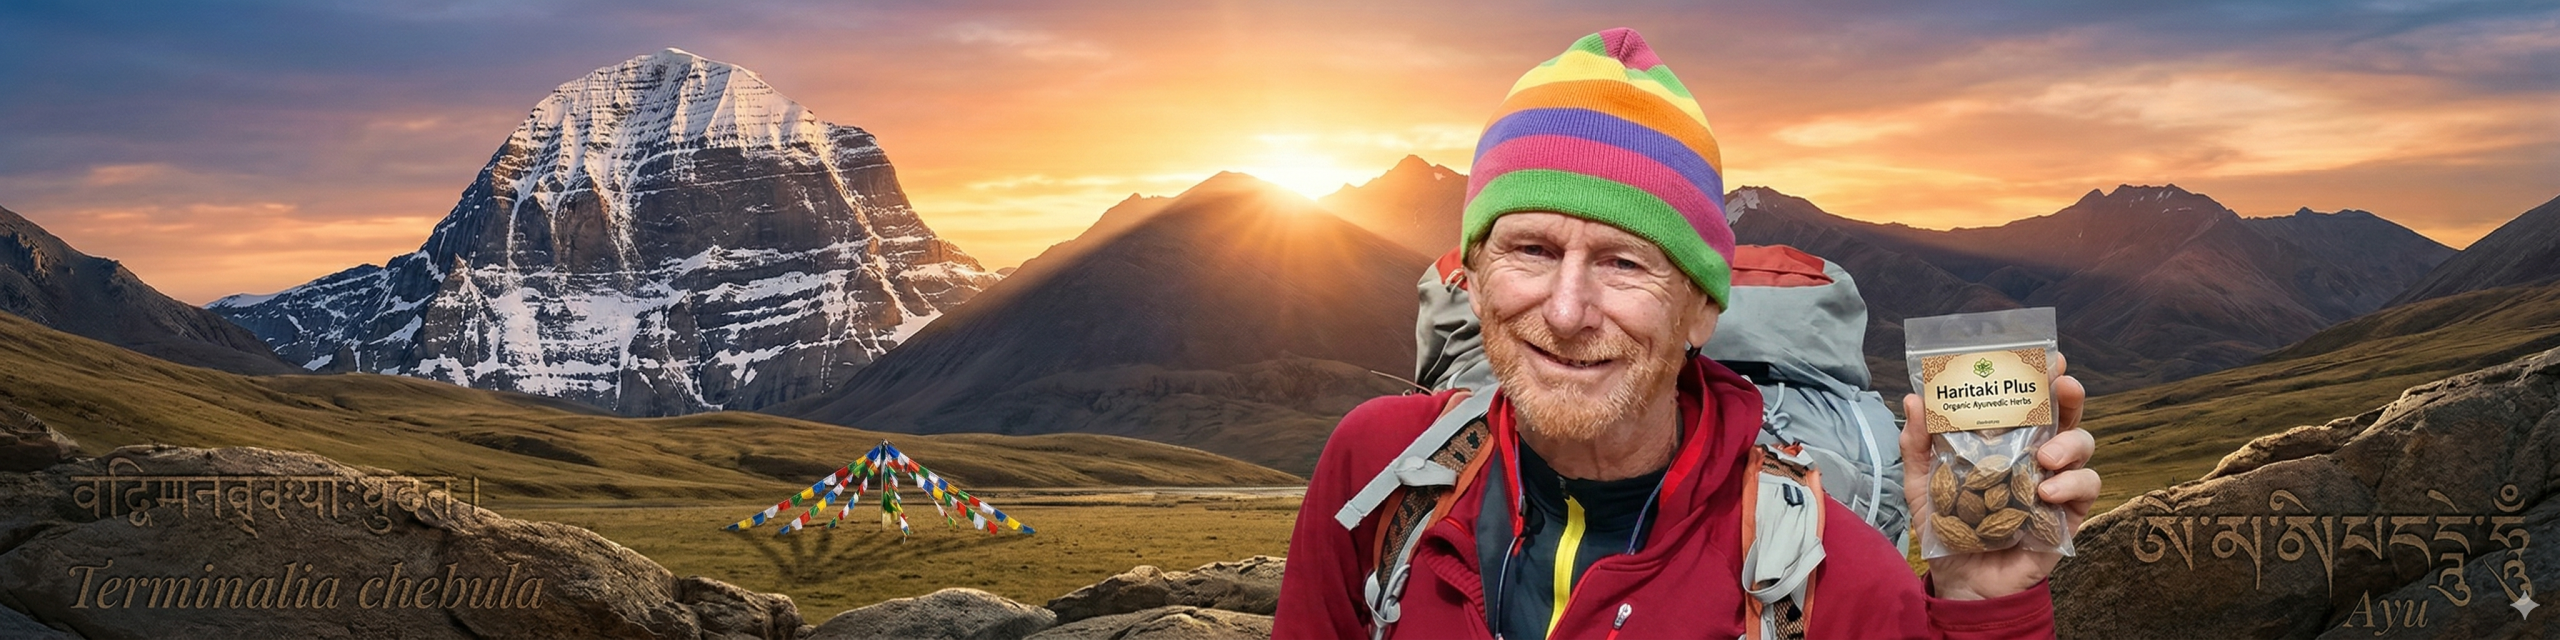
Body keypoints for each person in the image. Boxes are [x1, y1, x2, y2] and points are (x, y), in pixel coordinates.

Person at [1274, 27, 2098, 639]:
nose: (1566, 311)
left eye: (1624, 263)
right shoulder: (1378, 475)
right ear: (1475, 275)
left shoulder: (1833, 574)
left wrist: (1985, 602)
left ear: (1703, 308)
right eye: (1530, 249)